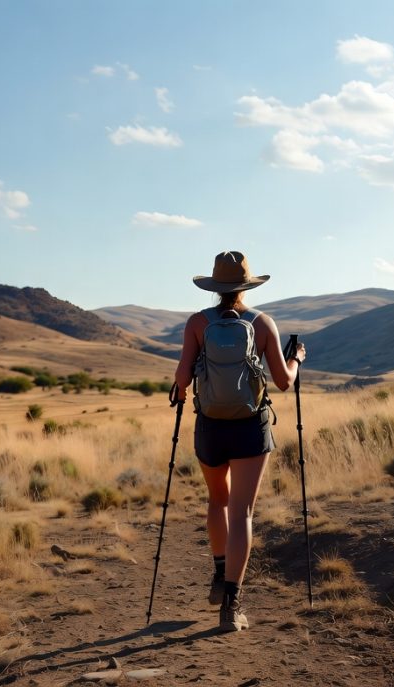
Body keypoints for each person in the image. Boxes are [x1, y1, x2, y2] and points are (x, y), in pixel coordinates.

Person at [174, 250, 306, 633]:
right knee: (242, 512)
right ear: (247, 286)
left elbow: (182, 379)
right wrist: (295, 358)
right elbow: (283, 382)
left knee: (218, 500)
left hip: (211, 426)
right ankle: (231, 606)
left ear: (215, 286)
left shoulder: (198, 323)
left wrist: (183, 386)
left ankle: (219, 574)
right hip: (250, 425)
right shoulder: (263, 323)